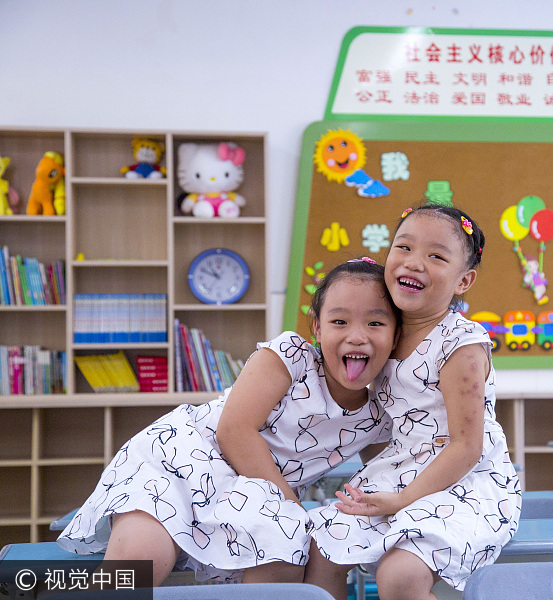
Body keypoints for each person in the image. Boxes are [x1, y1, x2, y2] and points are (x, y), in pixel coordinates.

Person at [57, 258, 400, 586]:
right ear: (317, 328)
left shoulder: (378, 418)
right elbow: (233, 431)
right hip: (183, 461)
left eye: (375, 323)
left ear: (397, 335)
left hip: (254, 495)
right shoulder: (291, 356)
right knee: (140, 558)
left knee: (285, 553)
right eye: (339, 322)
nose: (357, 336)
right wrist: (291, 507)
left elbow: (386, 477)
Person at [305, 204, 521, 599]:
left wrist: (402, 501)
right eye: (403, 247)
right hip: (401, 469)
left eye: (436, 256)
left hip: (465, 481)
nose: (414, 262)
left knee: (400, 575)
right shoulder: (384, 330)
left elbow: (468, 448)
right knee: (320, 548)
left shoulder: (461, 344)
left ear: (464, 281)